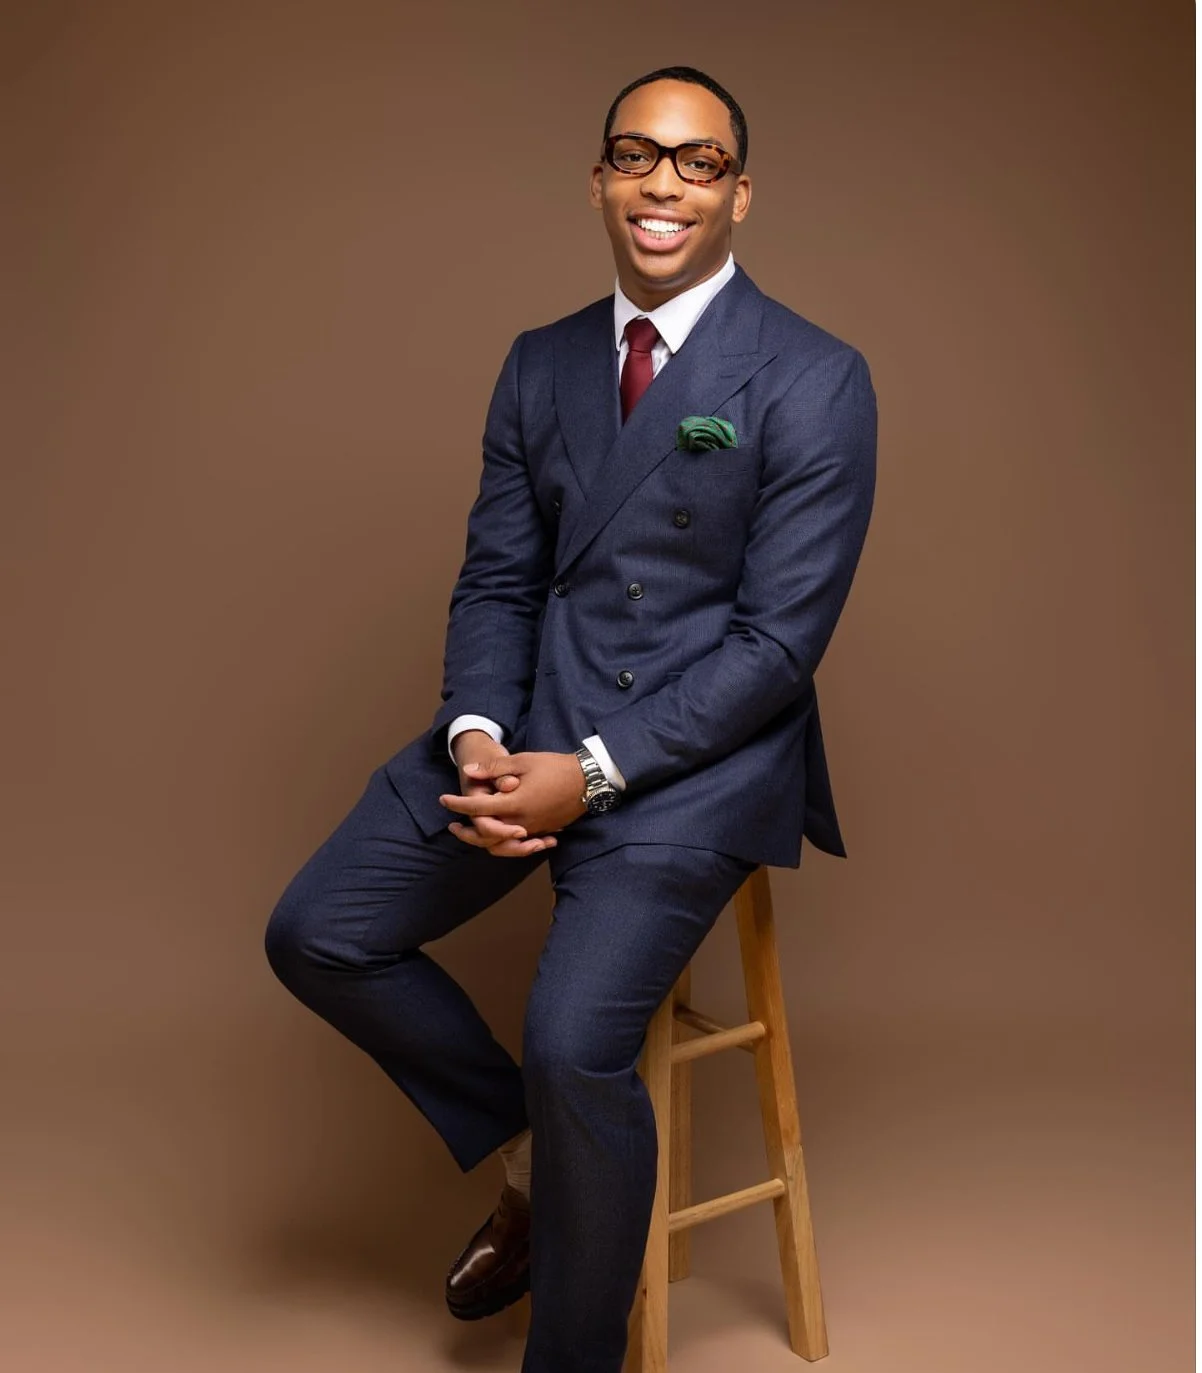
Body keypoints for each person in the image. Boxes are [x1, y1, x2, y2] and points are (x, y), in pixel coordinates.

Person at [264, 63, 876, 1373]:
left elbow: (776, 647)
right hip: (531, 723)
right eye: (635, 155)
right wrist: (480, 735)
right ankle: (540, 1163)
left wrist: (590, 775)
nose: (664, 184)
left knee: (571, 1041)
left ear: (739, 195)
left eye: (698, 162)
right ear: (599, 181)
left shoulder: (816, 376)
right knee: (318, 931)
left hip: (696, 762)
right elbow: (497, 578)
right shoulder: (540, 361)